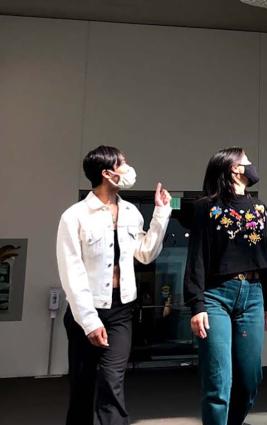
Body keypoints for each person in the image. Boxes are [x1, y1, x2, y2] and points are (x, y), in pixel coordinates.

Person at [56, 145, 172, 425]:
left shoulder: (131, 212)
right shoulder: (74, 216)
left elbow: (145, 252)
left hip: (121, 310)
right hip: (85, 311)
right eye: (124, 164)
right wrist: (90, 321)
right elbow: (71, 271)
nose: (129, 169)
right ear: (107, 173)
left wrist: (161, 213)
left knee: (112, 379)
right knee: (82, 385)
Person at [184, 147, 267, 425]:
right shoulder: (205, 208)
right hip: (215, 297)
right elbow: (196, 258)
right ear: (234, 169)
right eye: (246, 162)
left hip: (253, 296)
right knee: (218, 381)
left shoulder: (260, 209)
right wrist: (196, 305)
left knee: (250, 379)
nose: (251, 166)